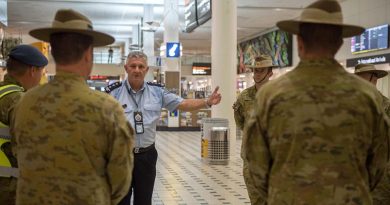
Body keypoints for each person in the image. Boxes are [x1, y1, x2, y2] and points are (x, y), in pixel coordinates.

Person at [242, 0, 390, 204]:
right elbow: (379, 165)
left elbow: (255, 165)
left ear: (300, 42)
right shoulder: (368, 97)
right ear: (339, 43)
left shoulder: (270, 96)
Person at [11, 9, 134, 205]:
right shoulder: (107, 109)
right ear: (88, 54)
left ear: (52, 52)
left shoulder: (25, 102)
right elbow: (121, 181)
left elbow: (18, 152)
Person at [106, 51, 222, 205]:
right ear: (126, 68)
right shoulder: (113, 92)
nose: (137, 70)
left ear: (147, 70)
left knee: (144, 201)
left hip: (146, 156)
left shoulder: (157, 91)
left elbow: (182, 104)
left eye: (141, 66)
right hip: (121, 157)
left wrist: (207, 102)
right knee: (120, 201)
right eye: (133, 66)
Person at [0, 44, 48, 205]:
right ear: (32, 70)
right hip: (10, 188)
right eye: (41, 72)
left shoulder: (2, 92)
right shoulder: (18, 100)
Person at [354, 63, 390, 205]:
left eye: (363, 79)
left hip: (380, 178)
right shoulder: (347, 105)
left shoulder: (386, 106)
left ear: (374, 79)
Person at [233, 55, 275, 130]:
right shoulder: (244, 96)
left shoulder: (277, 94)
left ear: (270, 74)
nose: (258, 74)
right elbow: (239, 122)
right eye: (256, 70)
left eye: (262, 70)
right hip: (250, 140)